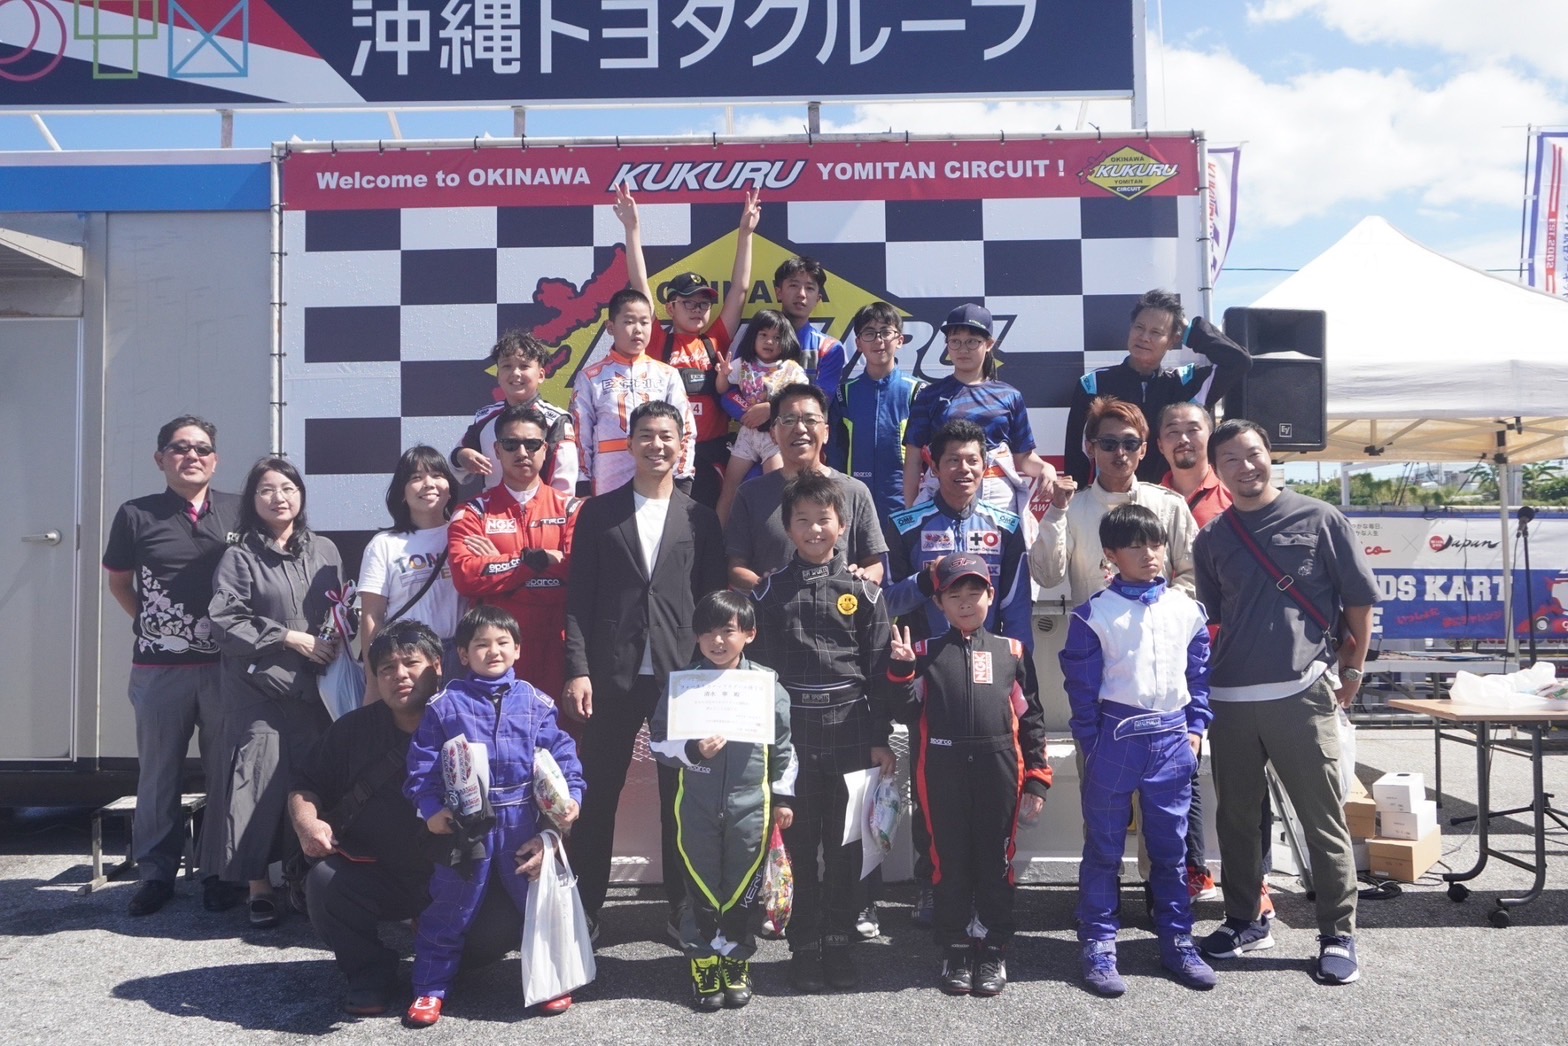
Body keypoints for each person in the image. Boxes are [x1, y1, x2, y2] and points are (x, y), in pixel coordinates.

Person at [1192, 419, 1378, 986]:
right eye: (1230, 459)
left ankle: (1337, 933)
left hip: (1301, 693)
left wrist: (1353, 670)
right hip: (1230, 696)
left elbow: (1359, 602)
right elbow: (1215, 620)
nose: (1245, 467)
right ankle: (1245, 919)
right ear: (1217, 470)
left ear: (1270, 455)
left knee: (1321, 819)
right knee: (1237, 819)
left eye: (1253, 454)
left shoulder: (1321, 518)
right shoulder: (1211, 538)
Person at [288, 621, 525, 1017]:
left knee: (499, 926)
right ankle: (370, 972)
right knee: (325, 884)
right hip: (380, 873)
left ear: (438, 666)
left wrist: (548, 835)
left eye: (412, 664)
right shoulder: (352, 731)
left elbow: (531, 785)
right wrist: (307, 823)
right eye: (386, 668)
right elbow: (304, 785)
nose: (399, 675)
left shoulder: (479, 720)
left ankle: (439, 964)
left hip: (462, 874)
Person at [563, 400, 728, 939]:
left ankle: (681, 908)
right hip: (611, 675)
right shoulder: (598, 513)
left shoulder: (701, 518)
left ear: (682, 445)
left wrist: (714, 676)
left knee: (679, 802)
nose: (657, 445)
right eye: (646, 436)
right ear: (630, 444)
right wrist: (578, 669)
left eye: (666, 436)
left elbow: (714, 602)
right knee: (597, 795)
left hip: (681, 680)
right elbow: (579, 599)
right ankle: (586, 907)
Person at [1059, 504, 1216, 996]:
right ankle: (1098, 944)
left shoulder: (1187, 610)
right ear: (1110, 554)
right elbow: (1081, 690)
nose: (1149, 554)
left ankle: (1178, 940)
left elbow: (1199, 677)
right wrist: (1092, 744)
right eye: (1135, 546)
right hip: (1116, 738)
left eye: (1155, 543)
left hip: (1172, 740)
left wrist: (1196, 729)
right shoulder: (1093, 614)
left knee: (1170, 851)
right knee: (1104, 850)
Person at [403, 605, 585, 1026]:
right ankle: (430, 988)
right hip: (466, 823)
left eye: (503, 642)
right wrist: (431, 810)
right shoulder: (445, 705)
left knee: (538, 903)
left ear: (518, 649)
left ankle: (552, 982)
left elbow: (563, 757)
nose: (493, 651)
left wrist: (571, 798)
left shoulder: (536, 703)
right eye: (481, 644)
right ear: (462, 654)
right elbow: (422, 768)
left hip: (523, 820)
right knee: (450, 907)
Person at [750, 471, 895, 993]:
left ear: (843, 524)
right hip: (793, 736)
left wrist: (880, 737)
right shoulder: (768, 594)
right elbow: (758, 677)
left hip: (852, 730)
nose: (815, 530)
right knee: (798, 841)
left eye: (824, 520)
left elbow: (880, 671)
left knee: (846, 844)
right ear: (788, 528)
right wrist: (767, 747)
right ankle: (804, 944)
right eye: (803, 520)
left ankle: (838, 940)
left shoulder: (864, 592)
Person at [884, 553, 1049, 998]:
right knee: (949, 864)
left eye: (974, 592)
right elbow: (904, 711)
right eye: (954, 594)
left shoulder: (1013, 652)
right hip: (942, 770)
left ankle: (993, 947)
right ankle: (955, 948)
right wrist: (900, 670)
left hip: (1000, 769)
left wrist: (1037, 779)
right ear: (938, 603)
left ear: (991, 596)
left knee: (996, 863)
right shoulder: (924, 653)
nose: (965, 602)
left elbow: (1031, 719)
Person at [102, 415, 242, 916]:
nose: (192, 456)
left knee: (225, 772)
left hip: (226, 668)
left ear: (215, 460)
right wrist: (154, 625)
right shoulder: (136, 514)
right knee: (159, 775)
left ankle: (219, 872)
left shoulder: (239, 510)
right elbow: (119, 583)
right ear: (160, 458)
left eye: (202, 448)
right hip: (159, 671)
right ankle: (156, 874)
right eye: (180, 448)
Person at [208, 457, 343, 929]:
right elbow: (224, 622)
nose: (278, 497)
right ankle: (257, 887)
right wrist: (288, 637)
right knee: (258, 783)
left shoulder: (326, 550)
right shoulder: (239, 556)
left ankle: (299, 877)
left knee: (310, 782)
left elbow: (338, 610)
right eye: (266, 489)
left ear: (300, 495)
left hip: (314, 689)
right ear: (253, 500)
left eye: (287, 487)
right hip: (258, 689)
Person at [649, 590, 796, 1011]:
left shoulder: (766, 685)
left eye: (728, 631)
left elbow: (784, 748)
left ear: (749, 634)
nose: (717, 641)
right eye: (708, 632)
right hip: (695, 803)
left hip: (751, 804)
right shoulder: (684, 684)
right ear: (696, 637)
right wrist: (693, 751)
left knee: (741, 884)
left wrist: (782, 796)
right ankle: (702, 960)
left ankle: (735, 959)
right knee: (700, 882)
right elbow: (658, 743)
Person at [1156, 401, 1275, 914]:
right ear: (1159, 444)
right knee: (1177, 766)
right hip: (1166, 658)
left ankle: (1256, 879)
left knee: (1244, 774)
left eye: (1193, 429)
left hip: (1232, 654)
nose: (1183, 439)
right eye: (1172, 431)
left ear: (1211, 436)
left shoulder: (1235, 496)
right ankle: (1191, 871)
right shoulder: (1151, 499)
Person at [620, 185, 761, 510]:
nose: (698, 309)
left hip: (714, 455)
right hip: (670, 454)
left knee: (713, 525)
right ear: (670, 308)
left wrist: (746, 233)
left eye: (704, 303)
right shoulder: (658, 340)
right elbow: (639, 285)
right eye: (688, 302)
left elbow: (739, 290)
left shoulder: (716, 340)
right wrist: (632, 229)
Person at [446, 405, 580, 707]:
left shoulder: (572, 509)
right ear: (496, 450)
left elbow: (577, 573)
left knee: (559, 738)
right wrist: (534, 561)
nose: (522, 452)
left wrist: (500, 569)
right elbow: (466, 577)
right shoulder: (472, 512)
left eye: (532, 444)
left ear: (545, 449)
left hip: (558, 656)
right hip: (495, 659)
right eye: (511, 444)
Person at [1062, 288, 1251, 486]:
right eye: (1139, 328)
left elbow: (1238, 361)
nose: (1144, 337)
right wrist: (1077, 496)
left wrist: (1189, 330)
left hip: (1171, 497)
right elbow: (1077, 453)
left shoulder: (1186, 382)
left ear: (1173, 340)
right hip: (1111, 498)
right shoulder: (1094, 384)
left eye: (1156, 332)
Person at [1030, 396, 1198, 604]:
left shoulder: (1170, 505)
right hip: (1093, 624)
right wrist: (1056, 512)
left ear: (1143, 450)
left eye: (1130, 444)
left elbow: (1194, 574)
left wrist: (1162, 608)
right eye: (1109, 444)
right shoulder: (1070, 509)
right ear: (1090, 448)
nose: (1120, 452)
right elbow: (1047, 577)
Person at [725, 384, 887, 593]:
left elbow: (874, 564)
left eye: (810, 420)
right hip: (773, 612)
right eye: (788, 420)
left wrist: (863, 579)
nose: (800, 429)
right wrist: (768, 588)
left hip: (840, 610)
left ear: (826, 432)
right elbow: (735, 567)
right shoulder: (750, 494)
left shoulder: (855, 491)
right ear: (773, 433)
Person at [902, 304, 1053, 517]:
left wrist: (1046, 468)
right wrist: (910, 514)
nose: (963, 349)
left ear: (989, 344)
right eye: (955, 341)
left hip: (997, 495)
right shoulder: (929, 395)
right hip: (943, 492)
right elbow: (913, 460)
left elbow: (1024, 457)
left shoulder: (1009, 396)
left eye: (972, 341)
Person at [570, 287, 696, 495]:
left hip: (657, 471)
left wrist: (682, 475)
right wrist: (582, 481)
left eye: (644, 322)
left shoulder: (667, 374)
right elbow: (579, 434)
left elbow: (686, 428)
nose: (638, 329)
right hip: (609, 474)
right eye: (629, 322)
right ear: (610, 327)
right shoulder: (591, 377)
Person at [357, 446, 463, 688]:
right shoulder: (384, 544)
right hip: (407, 657)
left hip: (462, 656)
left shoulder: (465, 532)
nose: (428, 484)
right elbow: (372, 616)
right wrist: (373, 682)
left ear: (449, 489)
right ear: (402, 493)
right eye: (416, 477)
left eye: (437, 475)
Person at [828, 301, 927, 527]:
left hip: (905, 507)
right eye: (869, 333)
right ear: (858, 343)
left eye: (885, 332)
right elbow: (835, 455)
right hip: (854, 505)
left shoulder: (918, 392)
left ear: (900, 340)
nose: (878, 340)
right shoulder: (844, 394)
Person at [451, 330, 580, 496]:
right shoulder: (485, 418)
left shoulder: (556, 420)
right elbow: (455, 461)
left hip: (543, 509)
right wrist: (462, 456)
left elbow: (564, 483)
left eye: (524, 366)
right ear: (498, 376)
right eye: (507, 366)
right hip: (493, 510)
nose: (515, 373)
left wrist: (552, 510)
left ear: (541, 375)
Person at [715, 309, 809, 525]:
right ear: (753, 336)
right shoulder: (743, 363)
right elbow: (722, 390)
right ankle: (718, 537)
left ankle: (776, 536)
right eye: (763, 335)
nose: (769, 341)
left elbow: (802, 400)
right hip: (747, 435)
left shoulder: (791, 369)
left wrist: (771, 406)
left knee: (777, 489)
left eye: (777, 337)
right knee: (729, 487)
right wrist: (723, 375)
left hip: (775, 438)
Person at [773, 255, 846, 403]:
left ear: (817, 299)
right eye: (794, 285)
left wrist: (770, 409)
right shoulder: (756, 337)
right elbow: (732, 390)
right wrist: (746, 412)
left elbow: (822, 400)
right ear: (778, 292)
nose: (801, 294)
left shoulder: (829, 348)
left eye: (809, 288)